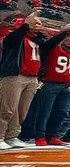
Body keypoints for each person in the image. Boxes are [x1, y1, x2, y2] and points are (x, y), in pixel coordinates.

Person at [0, 13, 49, 149]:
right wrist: (26, 25)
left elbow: (50, 46)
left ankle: (12, 136)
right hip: (15, 76)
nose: (38, 25)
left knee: (22, 111)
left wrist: (63, 33)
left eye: (39, 23)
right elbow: (10, 41)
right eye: (36, 23)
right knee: (7, 109)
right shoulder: (14, 37)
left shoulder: (38, 40)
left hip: (32, 78)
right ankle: (0, 136)